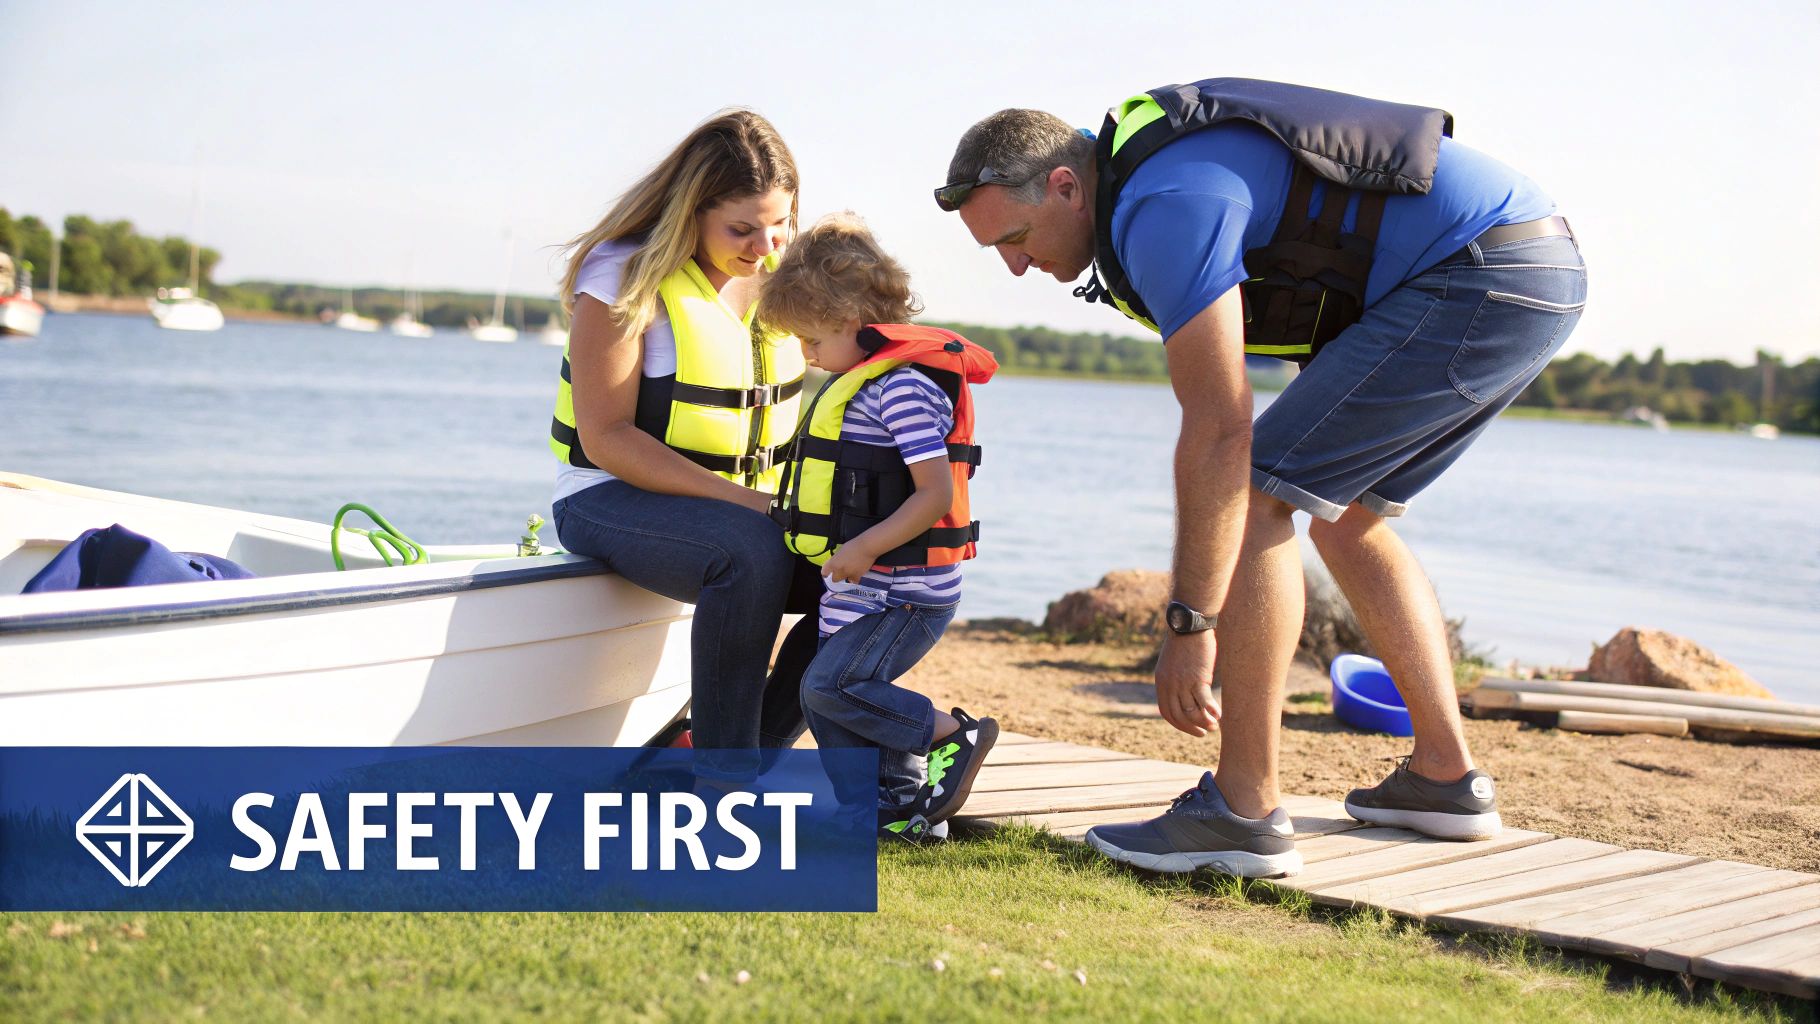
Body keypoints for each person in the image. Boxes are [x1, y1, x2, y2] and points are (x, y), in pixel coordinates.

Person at [940, 78, 1586, 877]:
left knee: (1261, 495)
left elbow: (1220, 427)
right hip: (1527, 267)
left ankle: (1243, 809)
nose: (1012, 266)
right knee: (1345, 512)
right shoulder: (1152, 185)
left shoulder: (1162, 202)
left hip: (1480, 270)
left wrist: (1190, 624)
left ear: (1067, 187)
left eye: (1016, 236)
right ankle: (1446, 780)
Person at [548, 109, 818, 775]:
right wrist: (746, 505)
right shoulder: (620, 278)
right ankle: (724, 780)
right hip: (609, 497)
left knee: (874, 571)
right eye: (743, 228)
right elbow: (607, 438)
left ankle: (739, 756)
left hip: (742, 509)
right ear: (692, 210)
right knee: (751, 552)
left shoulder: (787, 282)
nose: (767, 245)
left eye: (780, 223)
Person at [757, 214, 1001, 840]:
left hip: (908, 591)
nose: (807, 356)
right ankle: (891, 806)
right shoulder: (861, 384)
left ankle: (956, 734)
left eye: (811, 341)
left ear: (846, 322)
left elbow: (933, 492)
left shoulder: (903, 388)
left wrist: (864, 545)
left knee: (832, 685)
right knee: (828, 692)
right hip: (863, 584)